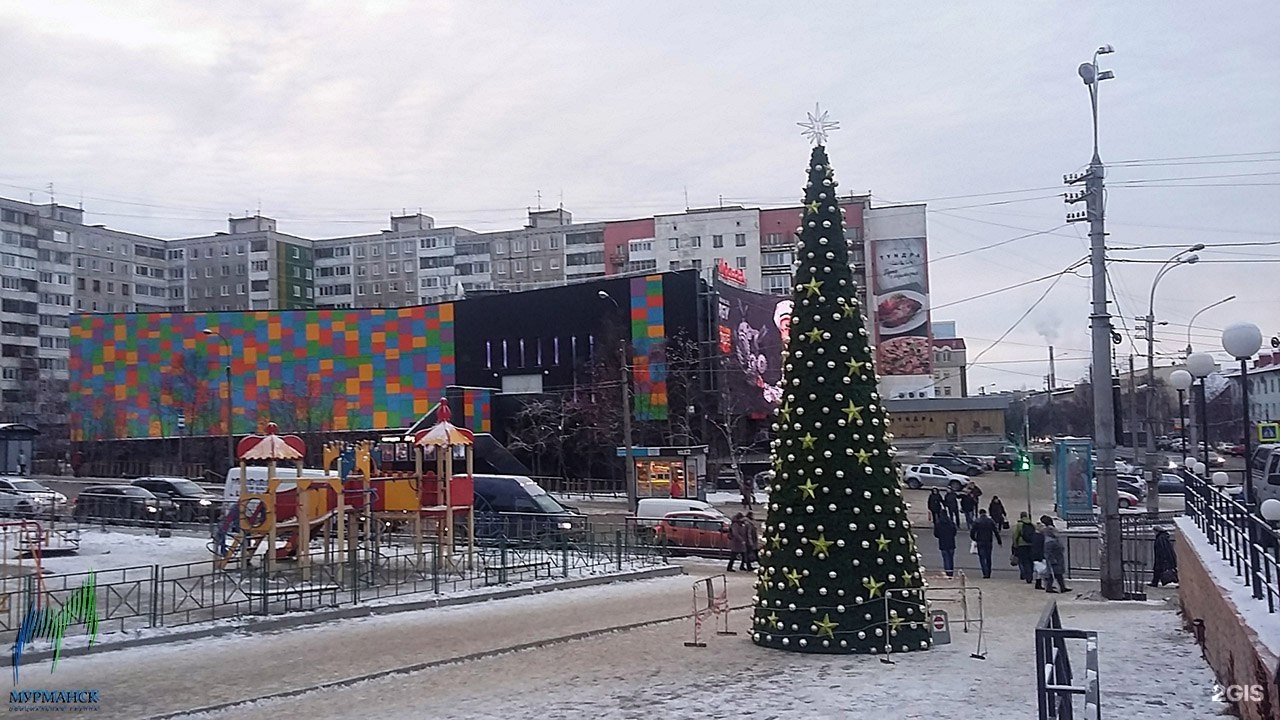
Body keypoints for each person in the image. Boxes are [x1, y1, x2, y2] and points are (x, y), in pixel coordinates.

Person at [969, 508, 1002, 578]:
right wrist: (999, 541)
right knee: (988, 557)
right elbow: (996, 532)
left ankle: (984, 572)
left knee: (982, 558)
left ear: (979, 513)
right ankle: (988, 572)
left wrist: (974, 539)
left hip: (980, 541)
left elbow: (972, 532)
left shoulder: (977, 521)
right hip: (989, 541)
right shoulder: (990, 521)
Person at [1042, 525, 1071, 593]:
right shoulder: (1050, 541)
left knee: (1058, 574)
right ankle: (1050, 587)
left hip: (1057, 559)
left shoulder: (1052, 540)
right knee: (1054, 574)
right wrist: (1052, 560)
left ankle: (1062, 587)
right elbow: (1048, 552)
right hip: (1055, 560)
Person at [1012, 512, 1036, 583]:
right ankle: (1030, 574)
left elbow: (1016, 535)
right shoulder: (1032, 525)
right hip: (1031, 544)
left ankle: (1027, 576)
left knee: (1024, 561)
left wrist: (1015, 545)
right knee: (1030, 560)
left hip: (1022, 545)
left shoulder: (1019, 525)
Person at [933, 510, 958, 577]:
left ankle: (948, 571)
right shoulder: (951, 522)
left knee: (945, 558)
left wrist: (941, 536)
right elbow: (954, 532)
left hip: (943, 542)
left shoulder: (938, 523)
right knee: (951, 558)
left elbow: (936, 534)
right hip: (951, 542)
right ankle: (951, 571)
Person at [1030, 520, 1047, 589]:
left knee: (1039, 571)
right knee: (1042, 570)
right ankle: (1044, 584)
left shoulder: (1034, 536)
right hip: (1039, 555)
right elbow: (1040, 547)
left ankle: (1039, 583)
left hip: (1035, 555)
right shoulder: (1040, 537)